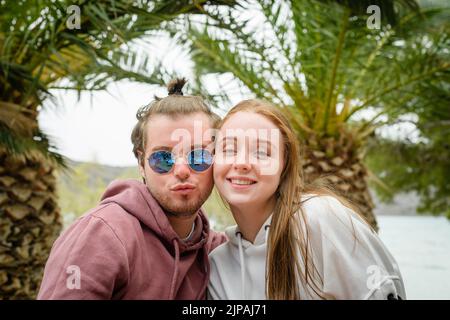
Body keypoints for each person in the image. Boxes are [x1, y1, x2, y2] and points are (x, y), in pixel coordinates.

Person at [38, 78, 226, 299]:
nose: (182, 170)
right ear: (141, 164)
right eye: (163, 158)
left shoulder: (218, 251)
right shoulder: (102, 235)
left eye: (199, 156)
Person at [208, 99, 406, 300]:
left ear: (283, 166)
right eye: (229, 149)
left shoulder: (320, 219)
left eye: (262, 152)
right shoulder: (218, 266)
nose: (242, 162)